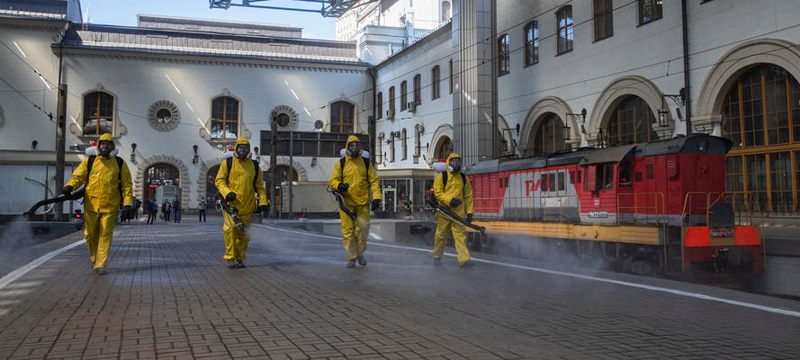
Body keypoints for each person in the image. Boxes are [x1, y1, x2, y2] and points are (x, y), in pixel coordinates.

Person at [63, 133, 133, 275]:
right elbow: (78, 176)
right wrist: (70, 186)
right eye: (102, 144)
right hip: (91, 204)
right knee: (89, 234)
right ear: (98, 145)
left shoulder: (119, 163)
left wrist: (127, 203)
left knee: (105, 234)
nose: (104, 146)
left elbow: (127, 184)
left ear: (112, 147)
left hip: (110, 205)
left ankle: (101, 264)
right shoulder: (90, 161)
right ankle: (94, 258)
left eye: (108, 144)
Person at [215, 137, 269, 269]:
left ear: (249, 150)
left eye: (245, 148)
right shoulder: (228, 163)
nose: (243, 150)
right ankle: (230, 258)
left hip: (247, 206)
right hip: (231, 205)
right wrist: (227, 193)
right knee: (231, 231)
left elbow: (259, 187)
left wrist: (263, 202)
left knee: (244, 235)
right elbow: (219, 181)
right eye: (241, 148)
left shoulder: (255, 166)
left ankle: (240, 258)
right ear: (237, 148)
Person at [328, 135, 381, 268]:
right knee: (348, 231)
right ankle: (352, 257)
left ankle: (359, 253)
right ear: (347, 147)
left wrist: (376, 197)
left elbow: (374, 181)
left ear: (360, 147)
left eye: (357, 145)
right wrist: (339, 185)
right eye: (351, 145)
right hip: (346, 204)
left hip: (363, 203)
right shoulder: (342, 163)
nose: (354, 148)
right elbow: (333, 180)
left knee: (363, 230)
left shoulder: (366, 163)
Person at [432, 153, 475, 268]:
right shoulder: (442, 176)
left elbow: (468, 196)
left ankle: (464, 260)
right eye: (454, 161)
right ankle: (437, 256)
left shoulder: (463, 178)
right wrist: (450, 200)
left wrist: (469, 212)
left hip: (458, 213)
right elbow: (438, 193)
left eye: (458, 161)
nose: (456, 163)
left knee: (460, 236)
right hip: (444, 212)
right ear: (449, 162)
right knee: (440, 236)